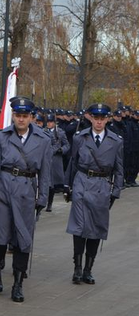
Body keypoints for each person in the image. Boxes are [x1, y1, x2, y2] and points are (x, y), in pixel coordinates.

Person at [0, 97, 52, 303]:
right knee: (0, 235)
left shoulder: (43, 140)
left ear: (32, 117)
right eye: (17, 115)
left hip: (26, 193)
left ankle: (18, 283)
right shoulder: (1, 137)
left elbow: (46, 173)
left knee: (23, 239)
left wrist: (42, 198)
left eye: (25, 116)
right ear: (13, 116)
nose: (21, 119)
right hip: (3, 189)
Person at [65, 103, 123, 285]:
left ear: (107, 119)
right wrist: (68, 186)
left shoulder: (116, 141)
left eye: (102, 118)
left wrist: (115, 191)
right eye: (96, 118)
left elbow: (119, 169)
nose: (99, 122)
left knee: (96, 228)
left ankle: (88, 269)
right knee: (79, 226)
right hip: (82, 181)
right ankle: (77, 268)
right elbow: (73, 163)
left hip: (102, 185)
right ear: (90, 118)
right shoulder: (79, 138)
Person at [45, 113, 70, 212]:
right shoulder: (43, 132)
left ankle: (49, 204)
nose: (49, 124)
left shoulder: (60, 132)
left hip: (55, 159)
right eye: (48, 122)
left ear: (55, 123)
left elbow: (67, 145)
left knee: (52, 184)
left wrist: (61, 150)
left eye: (51, 122)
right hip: (46, 159)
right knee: (46, 182)